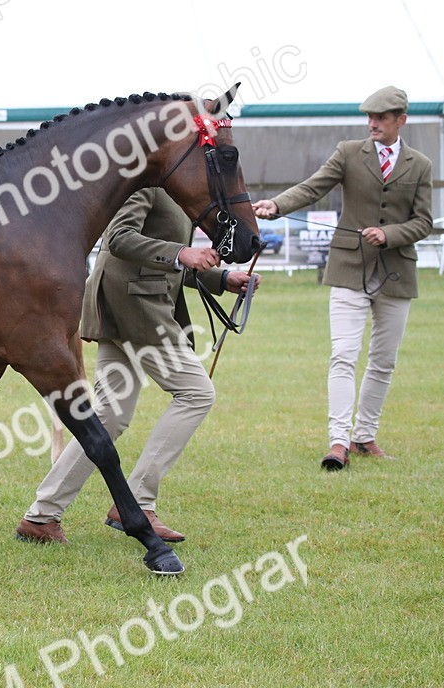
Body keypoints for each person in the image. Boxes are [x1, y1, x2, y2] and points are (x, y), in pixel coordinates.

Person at [14, 187, 260, 545]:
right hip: (135, 306)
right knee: (196, 393)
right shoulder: (147, 180)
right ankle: (138, 501)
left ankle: (41, 516)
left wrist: (221, 279)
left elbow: (170, 263)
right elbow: (119, 238)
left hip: (128, 301)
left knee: (109, 414)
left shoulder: (177, 188)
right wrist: (182, 251)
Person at [253, 86, 433, 470]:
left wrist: (390, 234)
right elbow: (313, 186)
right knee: (343, 356)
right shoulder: (349, 152)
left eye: (381, 118)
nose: (373, 123)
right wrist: (277, 205)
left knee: (383, 361)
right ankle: (338, 441)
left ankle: (365, 436)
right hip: (349, 270)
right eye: (369, 116)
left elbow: (424, 221)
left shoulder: (420, 164)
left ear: (401, 120)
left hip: (397, 273)